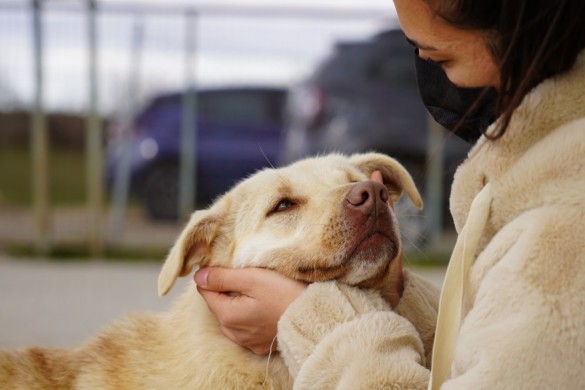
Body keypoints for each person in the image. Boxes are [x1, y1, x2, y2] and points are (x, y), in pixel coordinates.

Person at [194, 0, 585, 388]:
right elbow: (492, 351)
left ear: (519, 31)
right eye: (285, 205)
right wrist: (395, 299)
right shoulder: (545, 176)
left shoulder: (562, 226)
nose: (430, 80)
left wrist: (312, 322)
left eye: (439, 58)